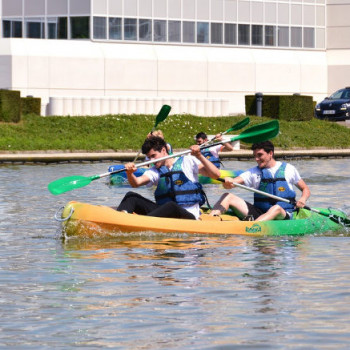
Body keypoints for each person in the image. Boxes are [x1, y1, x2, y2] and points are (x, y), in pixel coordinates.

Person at [117, 136, 220, 220]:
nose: (152, 160)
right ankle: (120, 219)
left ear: (163, 150)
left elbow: (216, 174)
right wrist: (130, 173)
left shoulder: (187, 161)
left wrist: (199, 156)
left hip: (188, 217)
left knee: (171, 206)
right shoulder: (155, 171)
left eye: (154, 155)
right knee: (131, 197)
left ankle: (142, 223)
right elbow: (136, 183)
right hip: (165, 216)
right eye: (149, 157)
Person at [210, 140, 310, 221]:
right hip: (260, 212)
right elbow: (231, 185)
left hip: (283, 213)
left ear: (270, 153)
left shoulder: (289, 169)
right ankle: (211, 219)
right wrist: (228, 182)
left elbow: (305, 189)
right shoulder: (253, 172)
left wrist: (303, 199)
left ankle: (253, 228)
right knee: (227, 196)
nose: (256, 159)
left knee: (276, 209)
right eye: (255, 156)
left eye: (260, 155)